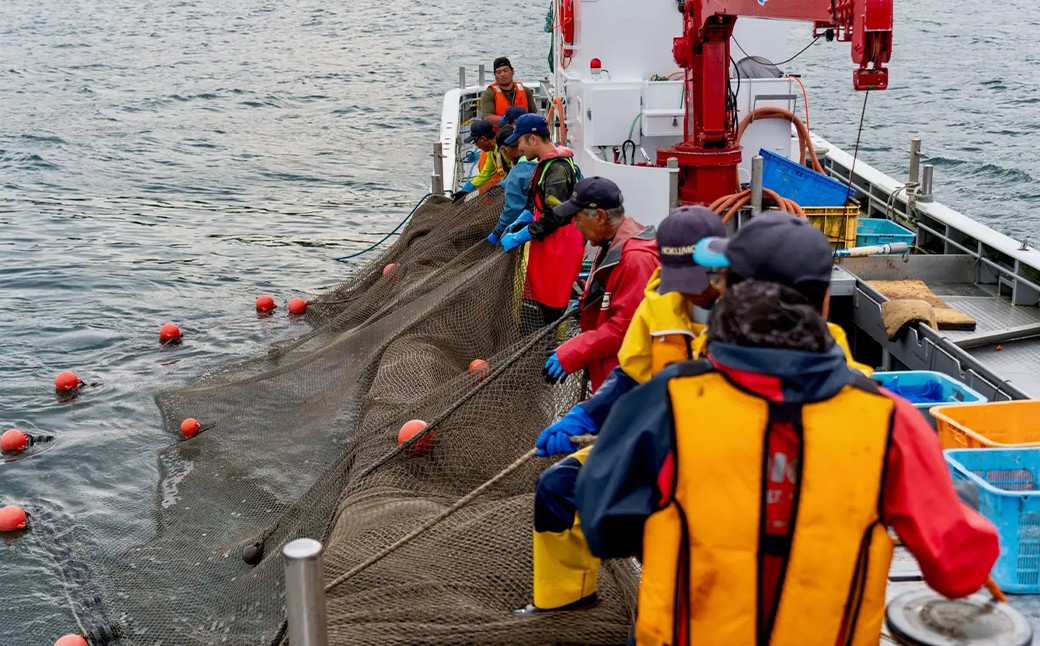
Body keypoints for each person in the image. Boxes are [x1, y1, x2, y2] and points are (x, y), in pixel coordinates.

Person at [574, 214, 1000, 646]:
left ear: (726, 291)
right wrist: (960, 503)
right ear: (824, 304)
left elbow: (602, 526)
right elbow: (958, 572)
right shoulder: (892, 423)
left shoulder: (664, 402)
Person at [515, 206, 718, 618]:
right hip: (653, 441)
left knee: (669, 540)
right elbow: (630, 373)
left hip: (713, 459)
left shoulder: (753, 314)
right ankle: (565, 599)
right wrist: (586, 416)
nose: (690, 290)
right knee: (558, 489)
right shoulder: (660, 300)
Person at [541, 177, 659, 392]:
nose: (575, 226)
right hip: (610, 376)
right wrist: (587, 306)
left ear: (601, 216)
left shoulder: (635, 260)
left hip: (628, 384)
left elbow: (627, 328)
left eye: (577, 218)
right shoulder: (611, 242)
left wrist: (573, 351)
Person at [499, 113, 584, 327]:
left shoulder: (557, 170)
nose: (520, 149)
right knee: (536, 300)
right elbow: (542, 204)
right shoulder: (546, 164)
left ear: (533, 140)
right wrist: (525, 216)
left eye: (520, 143)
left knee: (550, 308)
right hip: (547, 244)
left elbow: (557, 215)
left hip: (558, 247)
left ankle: (550, 349)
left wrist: (521, 235)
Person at [487, 126, 536, 246]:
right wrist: (502, 185)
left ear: (505, 150)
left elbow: (512, 210)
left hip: (537, 230)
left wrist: (497, 232)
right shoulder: (545, 158)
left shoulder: (517, 174)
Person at [453, 120, 510, 203]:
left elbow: (518, 170)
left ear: (483, 138)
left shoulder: (506, 149)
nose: (476, 145)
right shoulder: (492, 152)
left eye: (475, 142)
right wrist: (465, 190)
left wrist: (500, 186)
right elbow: (486, 174)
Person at [479, 57, 536, 126]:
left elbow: (534, 114)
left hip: (523, 131)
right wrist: (505, 119)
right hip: (500, 132)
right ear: (495, 76)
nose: (502, 74)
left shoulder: (525, 91)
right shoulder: (489, 93)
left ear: (512, 71)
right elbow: (487, 118)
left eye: (505, 71)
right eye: (498, 72)